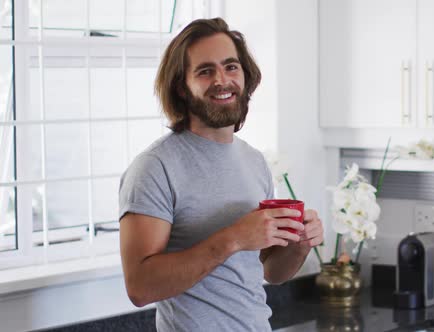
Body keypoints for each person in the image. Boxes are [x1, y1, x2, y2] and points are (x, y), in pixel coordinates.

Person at [118, 18, 324, 331]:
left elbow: (270, 272)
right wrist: (233, 238)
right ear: (181, 87)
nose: (222, 80)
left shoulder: (254, 161)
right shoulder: (155, 167)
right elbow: (140, 288)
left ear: (245, 75)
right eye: (205, 71)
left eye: (231, 67)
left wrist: (299, 245)